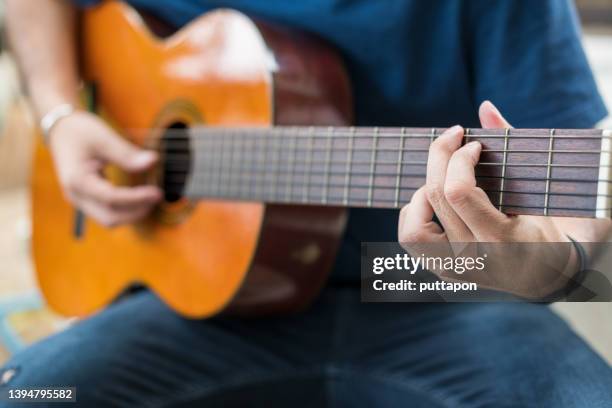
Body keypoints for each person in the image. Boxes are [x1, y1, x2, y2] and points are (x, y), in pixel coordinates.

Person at [3, 0, 612, 406]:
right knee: (29, 394)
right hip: (192, 309)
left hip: (434, 292)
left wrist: (537, 267)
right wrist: (58, 115)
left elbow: (584, 242)